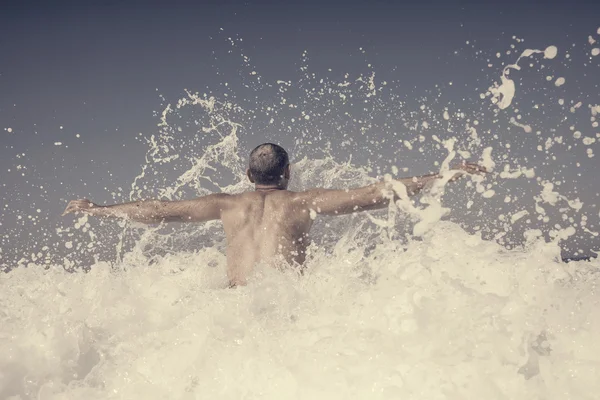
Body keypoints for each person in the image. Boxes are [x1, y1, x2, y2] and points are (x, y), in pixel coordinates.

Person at [63, 143, 485, 286]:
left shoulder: (226, 203)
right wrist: (444, 175)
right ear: (288, 172)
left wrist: (99, 209)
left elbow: (157, 211)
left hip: (233, 308)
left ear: (248, 174)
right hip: (284, 310)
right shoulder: (303, 201)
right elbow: (376, 195)